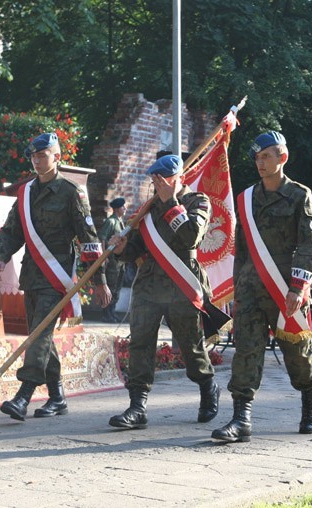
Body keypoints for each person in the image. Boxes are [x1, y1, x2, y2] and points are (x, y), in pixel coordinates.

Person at [211, 131, 312, 443]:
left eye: (267, 157)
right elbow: (241, 249)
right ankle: (240, 419)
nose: (260, 163)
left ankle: (309, 404)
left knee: (297, 354)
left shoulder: (300, 196)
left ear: (282, 158)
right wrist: (235, 289)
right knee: (245, 350)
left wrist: (298, 287)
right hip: (250, 290)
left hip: (287, 290)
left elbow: (309, 246)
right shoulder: (246, 199)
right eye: (257, 158)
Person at [0, 132, 111, 421]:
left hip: (57, 275)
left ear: (56, 157)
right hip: (32, 274)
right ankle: (57, 398)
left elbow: (89, 238)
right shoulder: (26, 192)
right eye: (33, 156)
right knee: (40, 334)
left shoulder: (71, 193)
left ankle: (23, 396)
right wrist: (2, 256)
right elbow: (12, 229)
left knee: (39, 334)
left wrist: (100, 281)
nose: (36, 160)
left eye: (42, 155)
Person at [108, 154, 224, 429]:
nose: (157, 184)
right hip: (149, 285)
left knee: (190, 346)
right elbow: (136, 247)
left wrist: (171, 202)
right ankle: (137, 407)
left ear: (178, 178)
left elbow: (191, 236)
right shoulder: (148, 209)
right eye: (154, 180)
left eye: (163, 179)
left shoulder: (198, 201)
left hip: (182, 282)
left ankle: (208, 387)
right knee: (139, 343)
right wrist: (123, 249)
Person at [98, 197, 127, 323]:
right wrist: (104, 256)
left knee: (117, 288)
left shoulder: (120, 222)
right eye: (122, 207)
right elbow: (102, 238)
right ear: (116, 209)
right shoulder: (111, 222)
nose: (125, 209)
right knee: (110, 287)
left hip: (119, 262)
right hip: (111, 261)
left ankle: (112, 312)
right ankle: (106, 314)